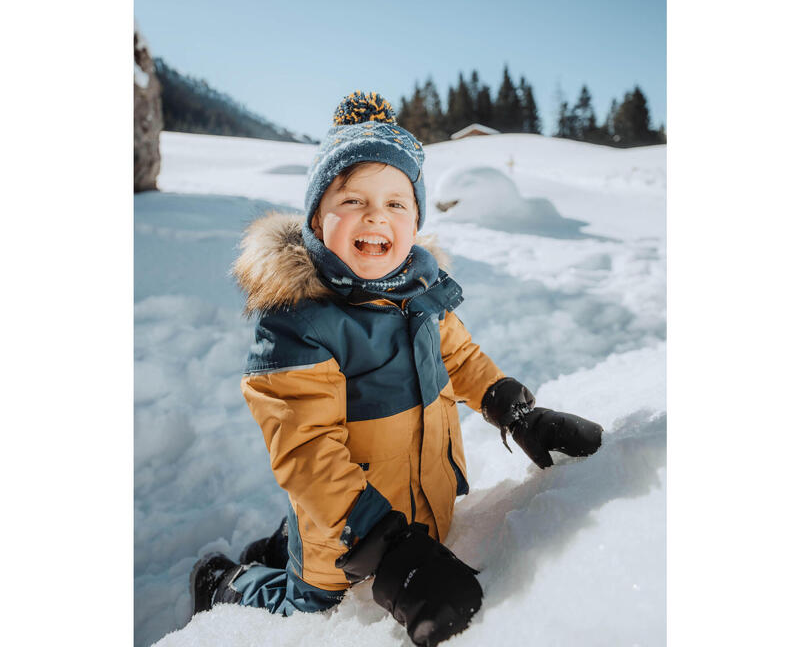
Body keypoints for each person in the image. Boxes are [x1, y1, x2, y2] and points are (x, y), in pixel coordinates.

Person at [190, 91, 603, 646]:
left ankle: (279, 541)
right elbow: (308, 454)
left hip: (417, 508)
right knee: (301, 611)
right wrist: (388, 547)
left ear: (415, 219)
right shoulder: (299, 323)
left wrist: (517, 411)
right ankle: (228, 579)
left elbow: (459, 358)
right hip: (348, 543)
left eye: (396, 202)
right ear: (316, 217)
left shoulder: (417, 295)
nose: (375, 215)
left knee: (312, 524)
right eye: (353, 200)